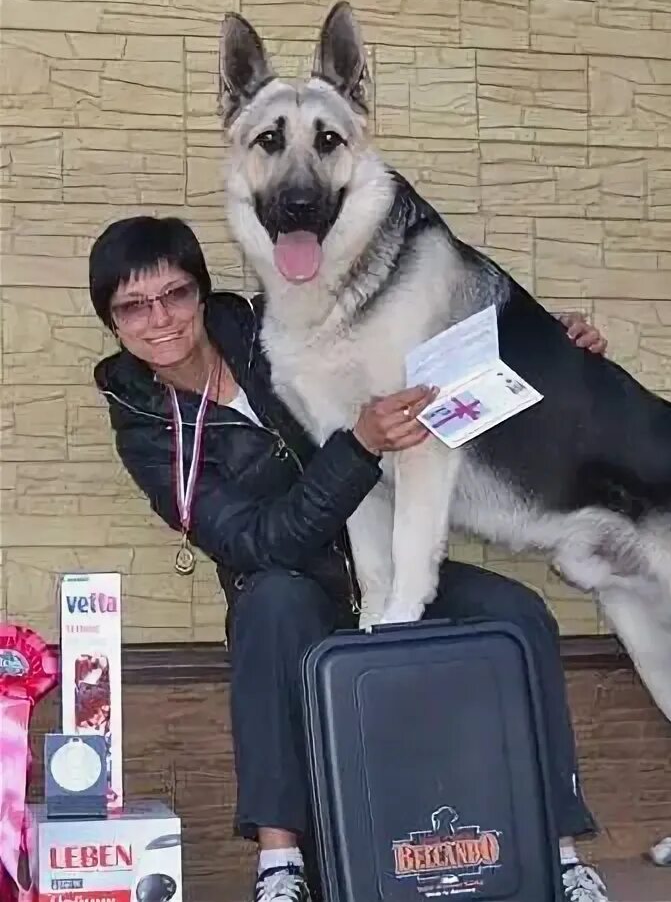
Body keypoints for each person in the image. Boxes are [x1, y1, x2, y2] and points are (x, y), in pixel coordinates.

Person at [89, 215, 613, 902]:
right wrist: (358, 445)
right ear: (112, 320)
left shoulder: (272, 327)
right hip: (293, 589)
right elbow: (255, 542)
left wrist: (545, 346)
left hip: (388, 567)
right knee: (270, 601)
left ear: (201, 292)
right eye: (134, 305)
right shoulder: (144, 427)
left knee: (515, 613)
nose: (159, 319)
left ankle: (560, 850)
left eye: (176, 294)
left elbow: (408, 348)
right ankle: (281, 866)